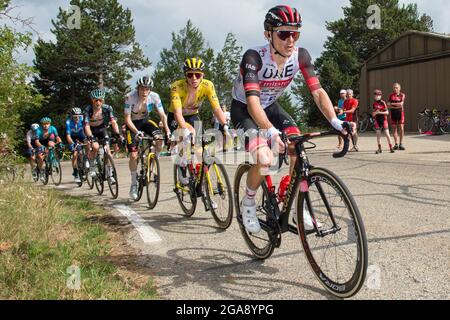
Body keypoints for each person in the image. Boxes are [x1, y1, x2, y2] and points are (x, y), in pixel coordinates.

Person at [230, 5, 356, 234]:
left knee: (297, 146)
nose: (291, 40)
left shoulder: (301, 56)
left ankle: (292, 195)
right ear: (268, 33)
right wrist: (269, 131)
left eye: (295, 33)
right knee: (264, 158)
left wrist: (336, 121)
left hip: (270, 106)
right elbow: (252, 103)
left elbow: (317, 92)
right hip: (245, 109)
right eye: (284, 33)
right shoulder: (253, 57)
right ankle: (248, 202)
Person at [168, 57, 230, 185]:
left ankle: (202, 185)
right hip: (176, 116)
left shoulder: (208, 85)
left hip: (193, 115)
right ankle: (181, 167)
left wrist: (225, 126)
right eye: (190, 75)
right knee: (187, 135)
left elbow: (217, 108)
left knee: (199, 149)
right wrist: (185, 130)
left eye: (197, 74)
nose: (194, 78)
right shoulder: (176, 87)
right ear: (185, 76)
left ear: (203, 75)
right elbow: (178, 113)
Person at [124, 76, 171, 200]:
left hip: (145, 122)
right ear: (138, 88)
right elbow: (127, 119)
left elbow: (162, 115)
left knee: (160, 140)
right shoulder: (130, 97)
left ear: (150, 89)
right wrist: (136, 131)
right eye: (142, 88)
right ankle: (134, 184)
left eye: (147, 89)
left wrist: (167, 131)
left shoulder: (154, 96)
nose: (145, 91)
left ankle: (154, 162)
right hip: (133, 125)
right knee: (133, 155)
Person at [84, 88, 121, 179]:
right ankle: (92, 165)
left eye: (100, 100)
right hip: (91, 130)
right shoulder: (88, 109)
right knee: (95, 147)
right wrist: (90, 137)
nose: (98, 102)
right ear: (92, 100)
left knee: (108, 151)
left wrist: (117, 134)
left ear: (103, 100)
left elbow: (113, 122)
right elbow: (87, 125)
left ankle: (110, 174)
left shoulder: (108, 108)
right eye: (95, 100)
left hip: (101, 129)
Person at [34, 117, 62, 182]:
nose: (46, 125)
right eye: (44, 124)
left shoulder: (52, 128)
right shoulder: (38, 130)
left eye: (47, 123)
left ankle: (53, 160)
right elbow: (36, 141)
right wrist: (42, 147)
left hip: (49, 140)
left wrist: (60, 143)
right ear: (41, 124)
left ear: (50, 124)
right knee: (41, 157)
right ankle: (41, 171)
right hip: (40, 143)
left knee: (51, 144)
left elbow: (57, 137)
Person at [65, 107, 86, 184]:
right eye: (75, 117)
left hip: (82, 136)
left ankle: (88, 163)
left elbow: (87, 130)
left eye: (79, 116)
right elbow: (68, 136)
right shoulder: (68, 122)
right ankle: (76, 173)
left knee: (89, 145)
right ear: (71, 116)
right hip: (72, 138)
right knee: (75, 154)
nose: (77, 118)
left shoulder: (83, 120)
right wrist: (72, 144)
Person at [372, 90, 394, 154]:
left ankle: (391, 147)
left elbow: (387, 112)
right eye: (376, 95)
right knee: (378, 135)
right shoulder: (374, 104)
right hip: (377, 120)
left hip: (383, 120)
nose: (377, 97)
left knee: (387, 134)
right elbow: (373, 114)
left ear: (381, 96)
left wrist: (380, 112)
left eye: (378, 95)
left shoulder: (383, 102)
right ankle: (379, 148)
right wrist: (375, 113)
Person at [388, 83, 406, 150]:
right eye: (394, 87)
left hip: (400, 113)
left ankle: (401, 144)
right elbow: (388, 104)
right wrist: (395, 105)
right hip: (393, 113)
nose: (395, 89)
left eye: (397, 87)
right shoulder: (391, 95)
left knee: (401, 128)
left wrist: (392, 104)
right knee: (394, 128)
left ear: (399, 88)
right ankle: (396, 144)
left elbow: (401, 104)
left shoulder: (402, 95)